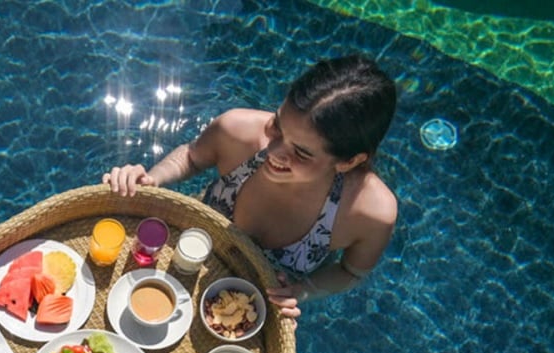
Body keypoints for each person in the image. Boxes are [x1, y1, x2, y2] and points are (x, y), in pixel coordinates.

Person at [103, 54, 398, 319]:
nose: (273, 151)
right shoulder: (237, 131)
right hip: (190, 251)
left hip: (248, 303)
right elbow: (191, 158)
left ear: (348, 161)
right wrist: (154, 178)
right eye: (277, 126)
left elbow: (350, 272)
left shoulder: (369, 213)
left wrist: (301, 291)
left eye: (302, 153)